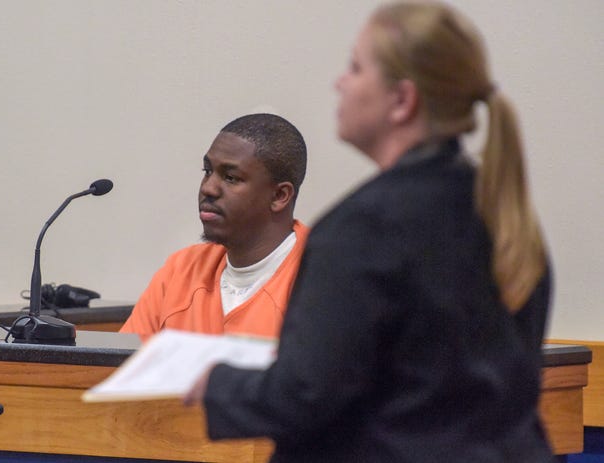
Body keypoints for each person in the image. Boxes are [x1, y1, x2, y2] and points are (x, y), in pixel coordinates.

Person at [185, 2, 553, 462]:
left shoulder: (363, 230)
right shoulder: (509, 219)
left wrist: (215, 382)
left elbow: (304, 395)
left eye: (356, 68)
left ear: (402, 101)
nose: (341, 82)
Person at [121, 113, 309, 340]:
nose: (208, 188)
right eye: (207, 171)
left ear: (280, 195)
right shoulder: (181, 270)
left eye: (230, 178)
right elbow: (123, 369)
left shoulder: (321, 277)